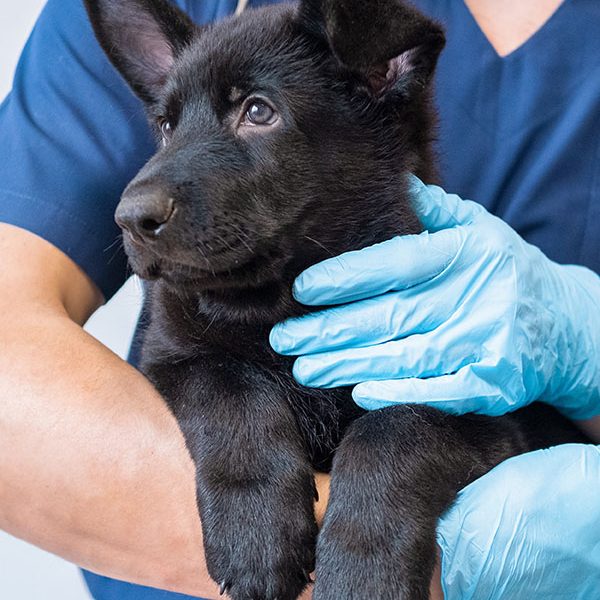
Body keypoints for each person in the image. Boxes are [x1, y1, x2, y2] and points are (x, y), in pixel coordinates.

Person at [0, 0, 598, 598]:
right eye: (168, 125)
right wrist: (380, 556)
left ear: (382, 77)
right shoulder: (192, 322)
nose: (141, 201)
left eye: (255, 111)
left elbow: (488, 435)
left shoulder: (451, 297)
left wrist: (586, 340)